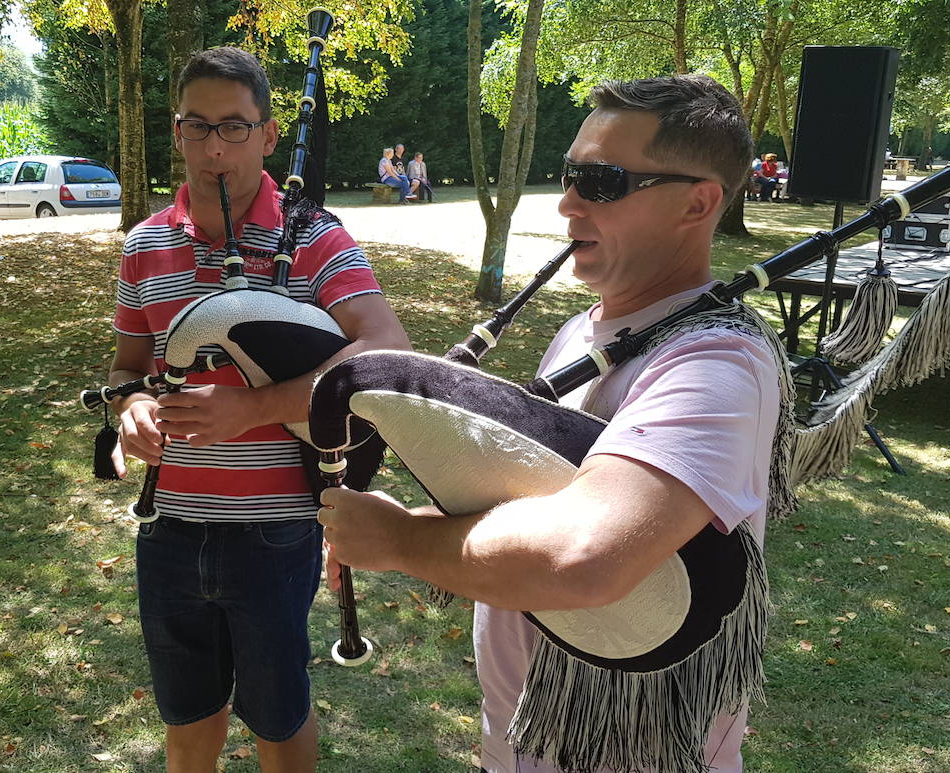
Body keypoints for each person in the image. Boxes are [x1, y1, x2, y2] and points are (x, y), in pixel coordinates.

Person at [318, 74, 794, 773]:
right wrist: (418, 515)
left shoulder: (718, 364)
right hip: (523, 744)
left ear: (698, 202)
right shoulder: (582, 329)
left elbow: (582, 556)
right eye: (572, 174)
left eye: (602, 181)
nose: (568, 201)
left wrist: (403, 539)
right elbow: (544, 501)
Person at [107, 46, 410, 773]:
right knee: (188, 720)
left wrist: (253, 407)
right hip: (169, 529)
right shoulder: (144, 246)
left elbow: (386, 348)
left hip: (276, 532)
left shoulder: (315, 238)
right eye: (197, 125)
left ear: (269, 135)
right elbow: (125, 365)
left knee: (278, 720)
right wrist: (133, 407)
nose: (215, 147)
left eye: (235, 127)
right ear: (175, 130)